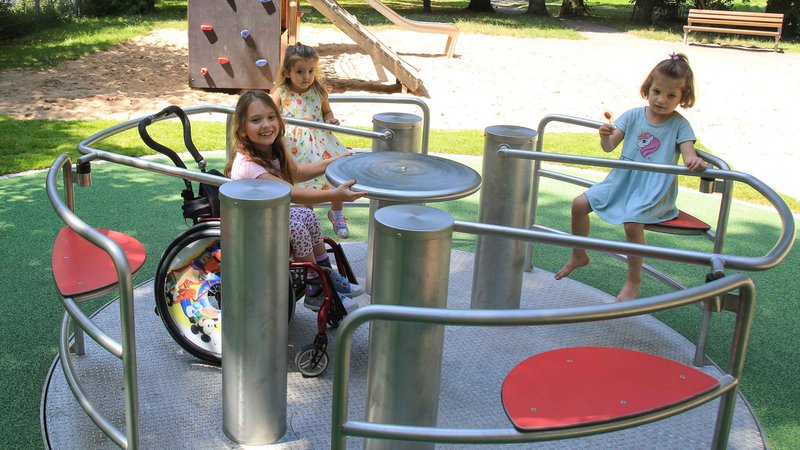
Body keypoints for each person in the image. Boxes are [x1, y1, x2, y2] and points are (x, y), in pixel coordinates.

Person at [555, 53, 707, 301]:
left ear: (683, 98)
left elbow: (689, 153)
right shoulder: (633, 115)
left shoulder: (680, 125)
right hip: (622, 181)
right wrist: (605, 135)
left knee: (632, 224)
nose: (661, 100)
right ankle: (579, 254)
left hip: (654, 187)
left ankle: (634, 280)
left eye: (671, 95)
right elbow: (609, 147)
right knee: (579, 204)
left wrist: (694, 161)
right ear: (648, 89)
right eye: (657, 91)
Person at [224, 89, 368, 312]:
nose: (266, 125)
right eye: (256, 120)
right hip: (250, 225)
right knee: (296, 225)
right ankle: (314, 288)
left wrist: (338, 160)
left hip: (268, 216)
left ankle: (325, 274)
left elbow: (298, 172)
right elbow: (294, 193)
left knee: (308, 215)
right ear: (242, 129)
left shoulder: (273, 149)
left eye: (271, 117)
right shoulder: (251, 166)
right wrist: (335, 195)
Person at [271, 42, 353, 239]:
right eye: (300, 71)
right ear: (288, 72)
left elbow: (326, 111)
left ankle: (337, 213)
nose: (306, 76)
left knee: (334, 175)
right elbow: (270, 115)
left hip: (321, 142)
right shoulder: (281, 94)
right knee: (302, 185)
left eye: (310, 71)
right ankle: (308, 218)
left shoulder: (319, 92)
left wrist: (330, 119)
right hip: (294, 145)